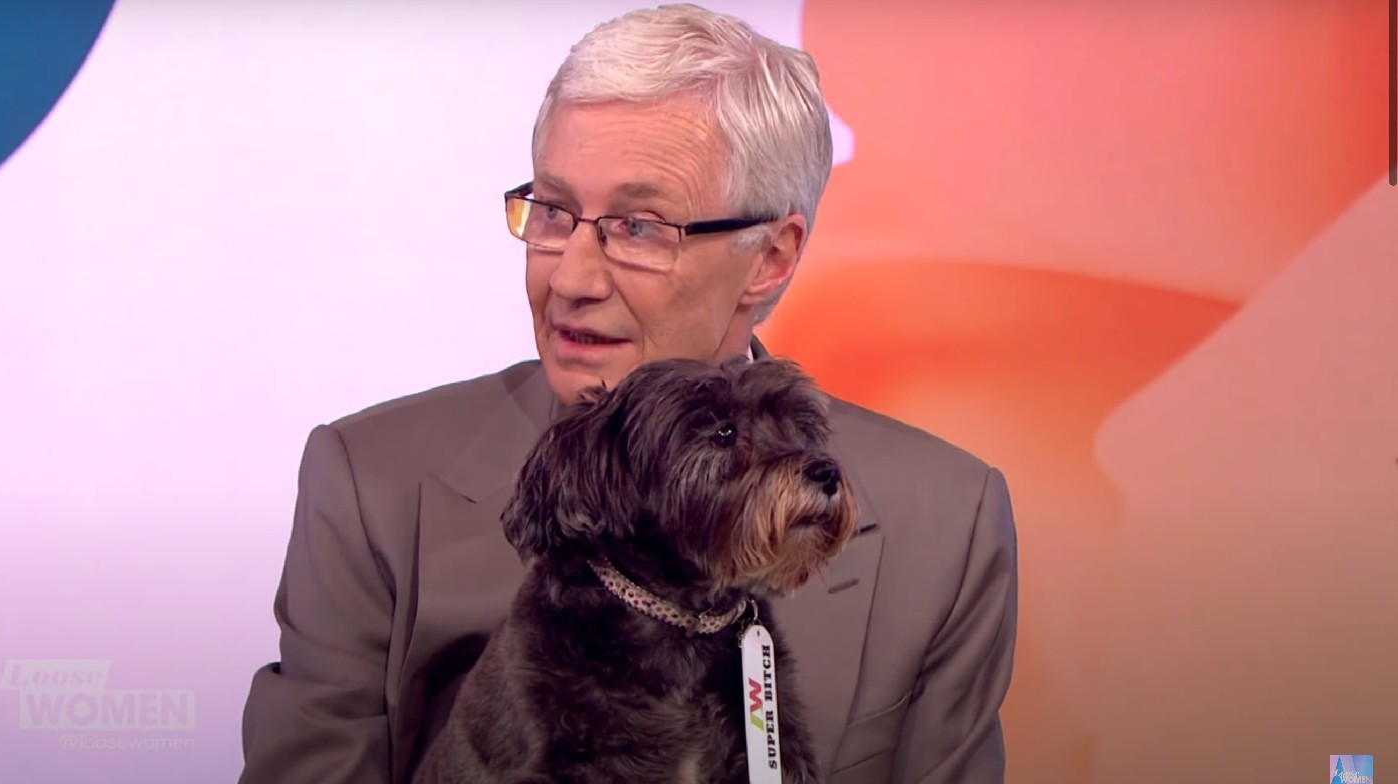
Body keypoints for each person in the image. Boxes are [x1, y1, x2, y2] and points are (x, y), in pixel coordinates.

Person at [237, 4, 1018, 783]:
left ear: (769, 258)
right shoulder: (372, 482)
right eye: (552, 213)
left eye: (639, 227)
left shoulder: (947, 524)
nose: (569, 280)